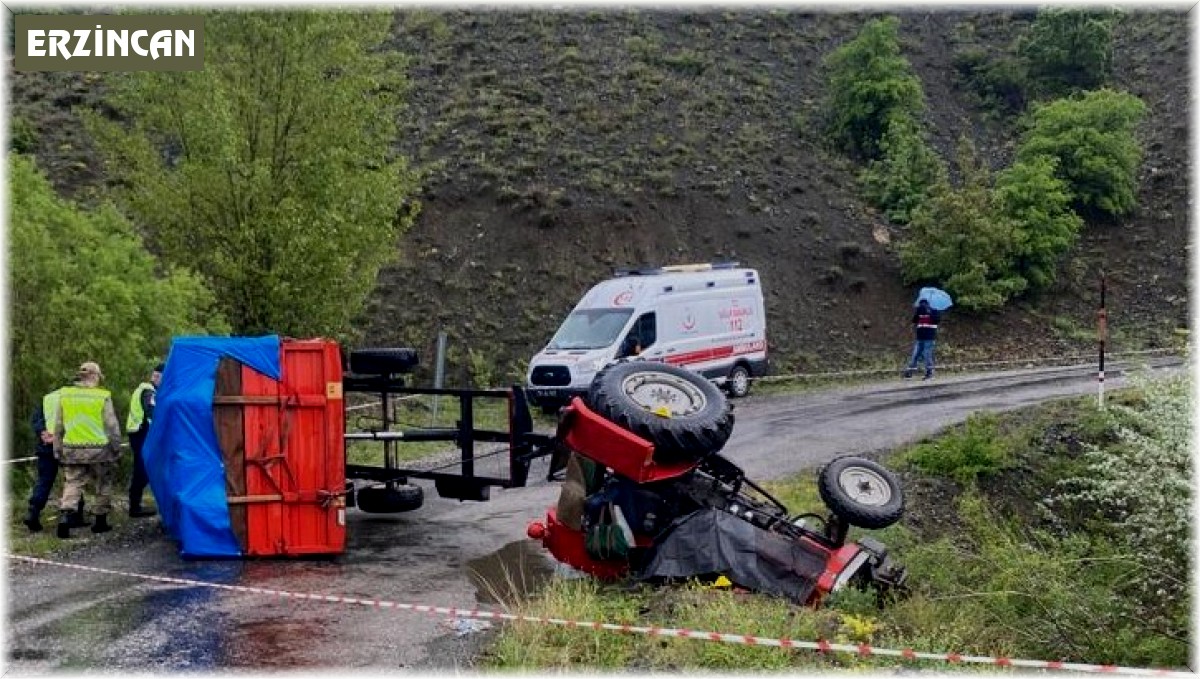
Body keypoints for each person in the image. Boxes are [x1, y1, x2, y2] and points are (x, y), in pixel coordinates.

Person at [53, 361, 122, 538]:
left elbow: (59, 425)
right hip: (99, 450)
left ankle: (65, 519)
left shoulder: (65, 395)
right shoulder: (102, 396)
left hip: (72, 449)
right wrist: (116, 447)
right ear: (94, 376)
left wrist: (57, 447)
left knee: (73, 483)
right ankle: (100, 522)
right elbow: (111, 425)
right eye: (98, 376)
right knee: (103, 483)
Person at [22, 385, 85, 532]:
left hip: (46, 446)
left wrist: (44, 433)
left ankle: (33, 513)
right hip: (68, 445)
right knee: (73, 480)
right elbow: (77, 422)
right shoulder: (73, 399)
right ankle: (71, 516)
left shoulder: (47, 398)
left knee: (44, 480)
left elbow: (36, 419)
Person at [125, 363, 162, 518]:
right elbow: (152, 412)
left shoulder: (143, 389)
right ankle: (135, 507)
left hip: (137, 433)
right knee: (142, 470)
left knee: (142, 469)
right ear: (158, 376)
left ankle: (135, 504)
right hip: (141, 434)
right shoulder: (148, 391)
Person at [903, 298, 941, 380]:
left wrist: (930, 312)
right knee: (915, 355)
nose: (922, 305)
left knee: (927, 355)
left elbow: (937, 320)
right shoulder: (920, 310)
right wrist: (918, 312)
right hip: (920, 337)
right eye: (921, 304)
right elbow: (914, 320)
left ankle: (929, 373)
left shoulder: (934, 310)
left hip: (929, 337)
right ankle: (910, 372)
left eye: (924, 304)